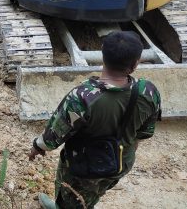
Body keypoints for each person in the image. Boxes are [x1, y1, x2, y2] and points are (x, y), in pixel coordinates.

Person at [28, 31, 162, 209]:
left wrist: (37, 147)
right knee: (97, 190)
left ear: (102, 55)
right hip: (121, 163)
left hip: (84, 167)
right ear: (136, 63)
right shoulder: (149, 91)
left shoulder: (82, 97)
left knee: (72, 199)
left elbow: (53, 137)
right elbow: (145, 132)